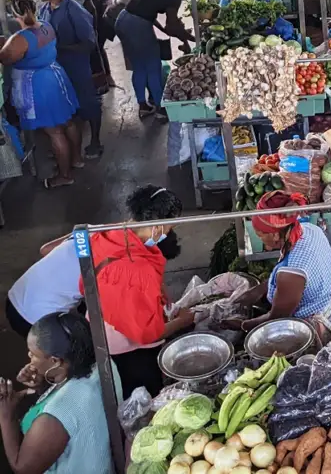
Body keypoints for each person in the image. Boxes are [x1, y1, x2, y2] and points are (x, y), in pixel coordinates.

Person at [80, 186, 195, 398]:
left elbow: (85, 282)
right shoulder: (137, 272)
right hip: (126, 350)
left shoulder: (108, 233)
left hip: (97, 326)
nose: (171, 230)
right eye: (171, 224)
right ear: (159, 224)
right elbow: (146, 334)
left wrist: (156, 292)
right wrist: (182, 321)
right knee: (141, 398)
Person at [0, 313, 122, 473]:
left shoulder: (56, 416)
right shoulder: (102, 364)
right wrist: (43, 387)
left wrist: (6, 416)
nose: (29, 357)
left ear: (56, 361)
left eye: (33, 354)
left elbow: (22, 468)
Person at [6, 227, 180, 338]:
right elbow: (142, 332)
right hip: (38, 323)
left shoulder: (100, 231)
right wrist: (181, 321)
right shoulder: (119, 271)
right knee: (84, 355)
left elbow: (45, 250)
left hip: (16, 296)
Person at [223, 191, 331, 343]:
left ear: (276, 235)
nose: (260, 238)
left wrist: (243, 325)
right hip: (330, 305)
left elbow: (276, 318)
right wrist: (257, 291)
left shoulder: (292, 273)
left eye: (260, 234)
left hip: (316, 330)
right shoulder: (310, 230)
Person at [0, 0, 82, 189]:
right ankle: (77, 159)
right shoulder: (46, 25)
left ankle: (64, 175)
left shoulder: (20, 39)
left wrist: (4, 43)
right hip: (55, 77)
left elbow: (5, 59)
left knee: (54, 132)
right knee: (68, 122)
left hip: (38, 86)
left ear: (14, 14)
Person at [34, 0, 103, 160]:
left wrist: (59, 48)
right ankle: (71, 151)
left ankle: (96, 141)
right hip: (57, 68)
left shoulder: (74, 10)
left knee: (88, 103)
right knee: (68, 109)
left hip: (76, 66)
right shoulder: (44, 9)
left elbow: (89, 43)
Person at [115, 0, 196, 120]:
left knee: (139, 66)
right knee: (153, 67)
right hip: (138, 27)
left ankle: (143, 106)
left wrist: (171, 32)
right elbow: (172, 26)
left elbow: (146, 13)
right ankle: (161, 108)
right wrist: (188, 38)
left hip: (122, 20)